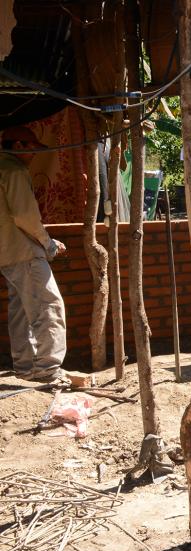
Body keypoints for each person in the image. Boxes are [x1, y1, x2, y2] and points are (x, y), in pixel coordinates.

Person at [0, 126, 68, 382]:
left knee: (20, 312)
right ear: (18, 146)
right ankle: (48, 370)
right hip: (23, 252)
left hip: (7, 254)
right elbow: (24, 216)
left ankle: (25, 367)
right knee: (49, 306)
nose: (34, 154)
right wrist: (48, 244)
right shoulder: (14, 170)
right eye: (32, 149)